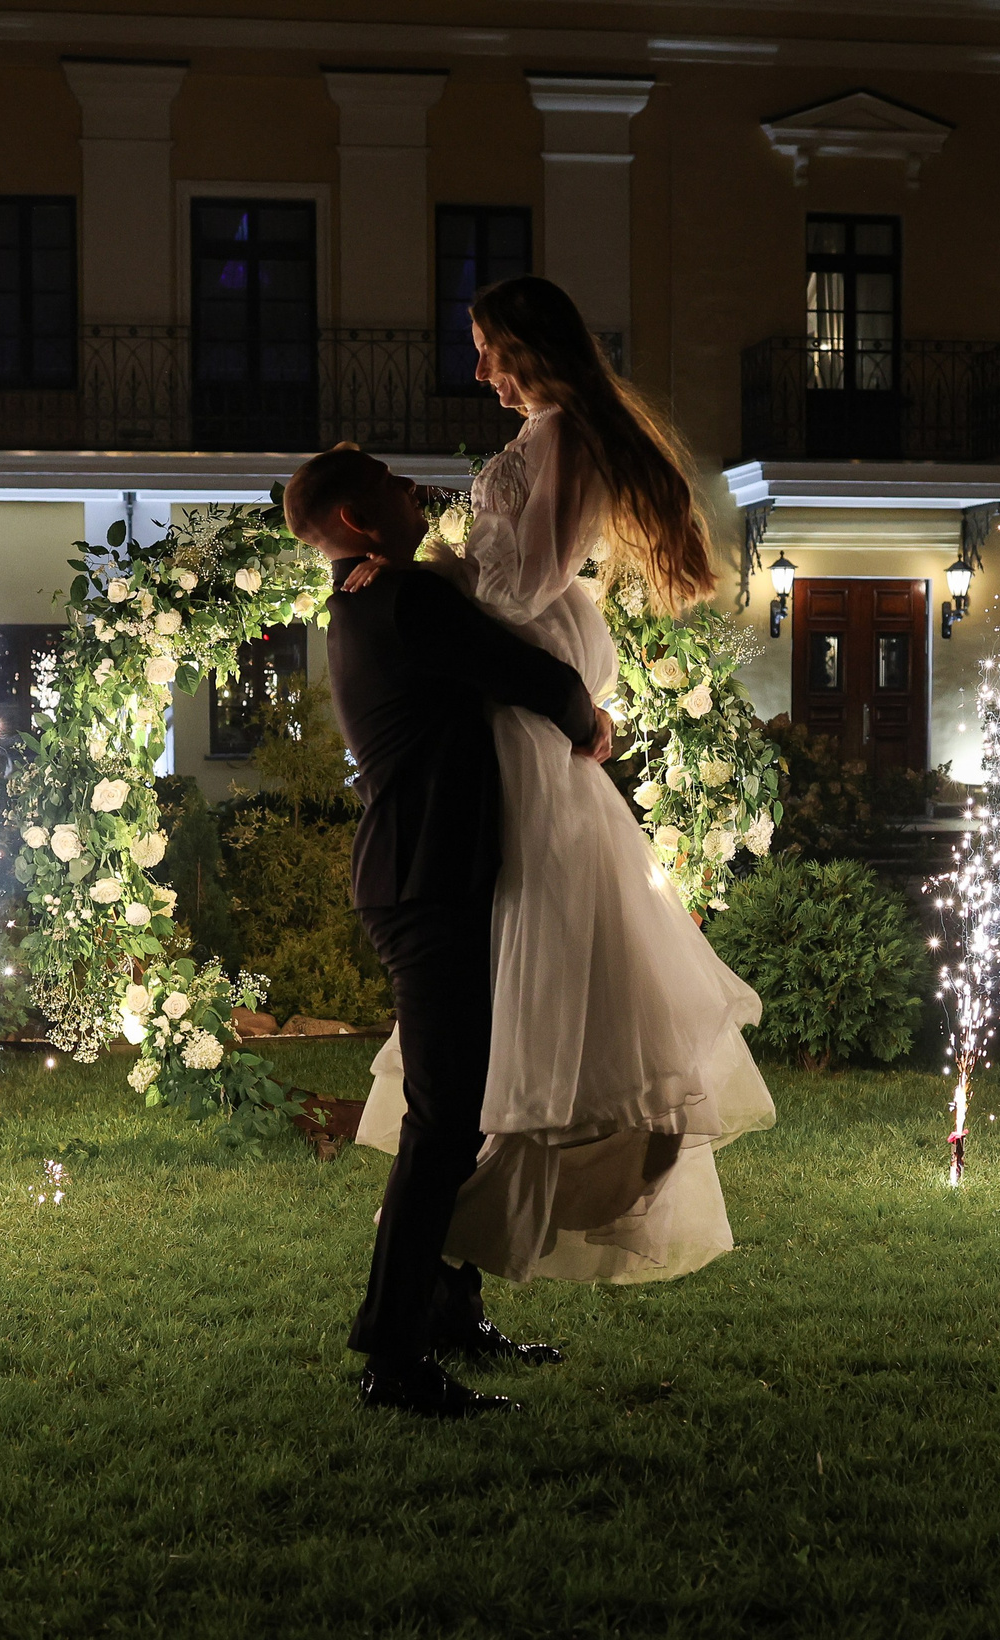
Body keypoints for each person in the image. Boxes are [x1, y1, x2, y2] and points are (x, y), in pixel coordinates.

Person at [346, 276, 775, 1301]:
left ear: (531, 346)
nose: (481, 368)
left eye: (489, 347)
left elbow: (523, 584)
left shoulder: (560, 436)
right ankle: (447, 1285)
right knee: (491, 980)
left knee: (518, 948)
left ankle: (442, 1286)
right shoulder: (548, 436)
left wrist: (419, 576)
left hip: (522, 718)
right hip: (511, 714)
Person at [282, 446, 612, 1419]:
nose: (411, 489)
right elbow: (514, 668)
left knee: (463, 1114)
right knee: (443, 1124)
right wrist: (579, 712)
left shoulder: (375, 596)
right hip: (424, 886)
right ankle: (392, 1359)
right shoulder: (403, 603)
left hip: (430, 878)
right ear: (350, 518)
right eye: (387, 482)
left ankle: (447, 1314)